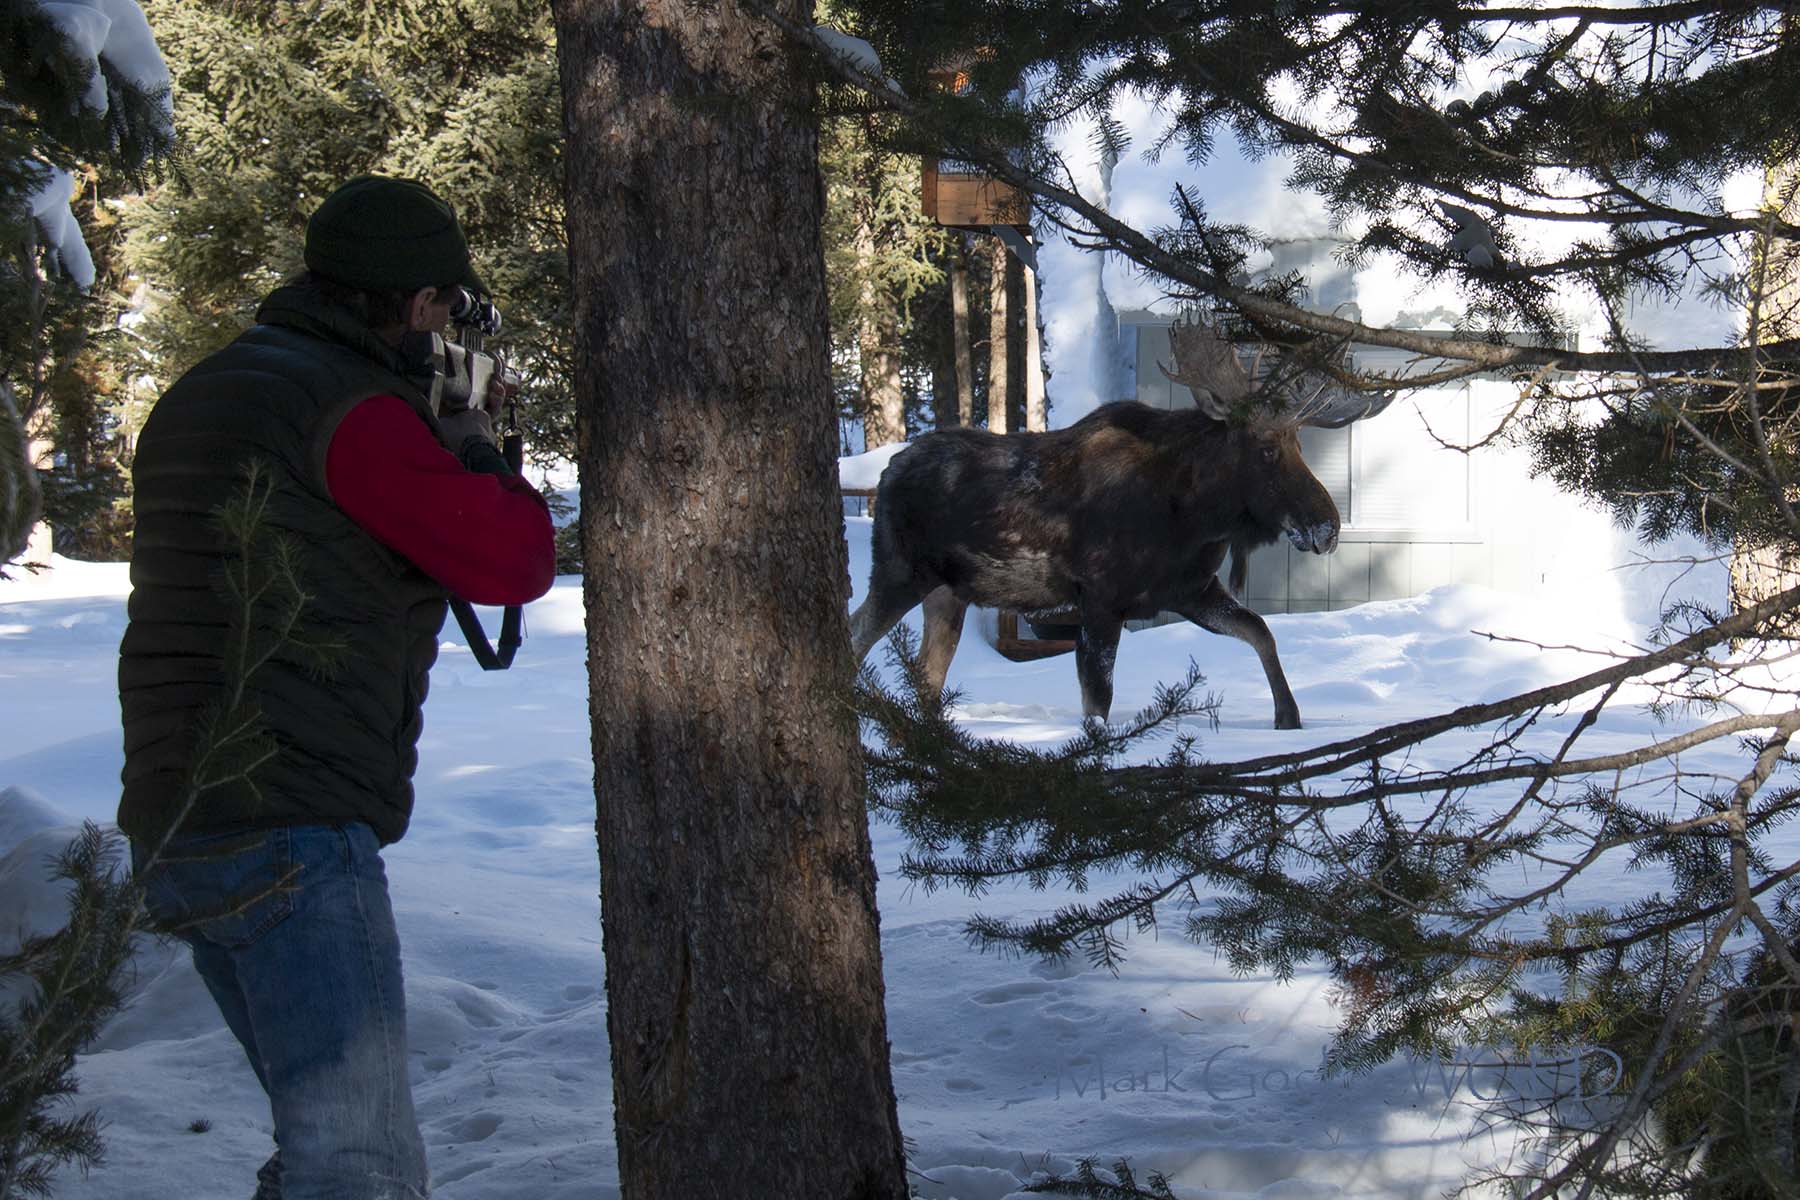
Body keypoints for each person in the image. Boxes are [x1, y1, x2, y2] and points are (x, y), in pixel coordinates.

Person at [116, 175, 556, 1199]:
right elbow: (512, 563)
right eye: (449, 308)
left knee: (314, 1145)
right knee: (357, 1166)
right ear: (415, 303)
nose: (451, 329)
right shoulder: (353, 411)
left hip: (177, 815)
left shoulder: (215, 385)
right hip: (289, 821)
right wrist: (476, 446)